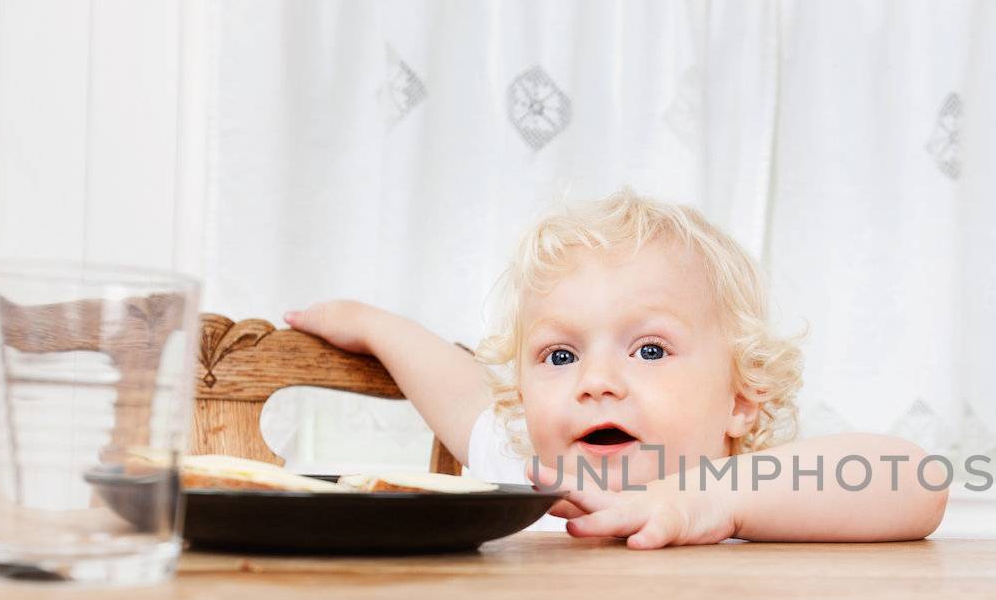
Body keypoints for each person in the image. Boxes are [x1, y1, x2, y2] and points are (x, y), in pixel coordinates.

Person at [286, 189, 947, 548]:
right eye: (560, 355)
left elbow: (918, 479)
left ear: (740, 399)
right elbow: (458, 390)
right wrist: (375, 325)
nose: (594, 381)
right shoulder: (531, 476)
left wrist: (717, 500)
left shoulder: (763, 494)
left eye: (650, 350)